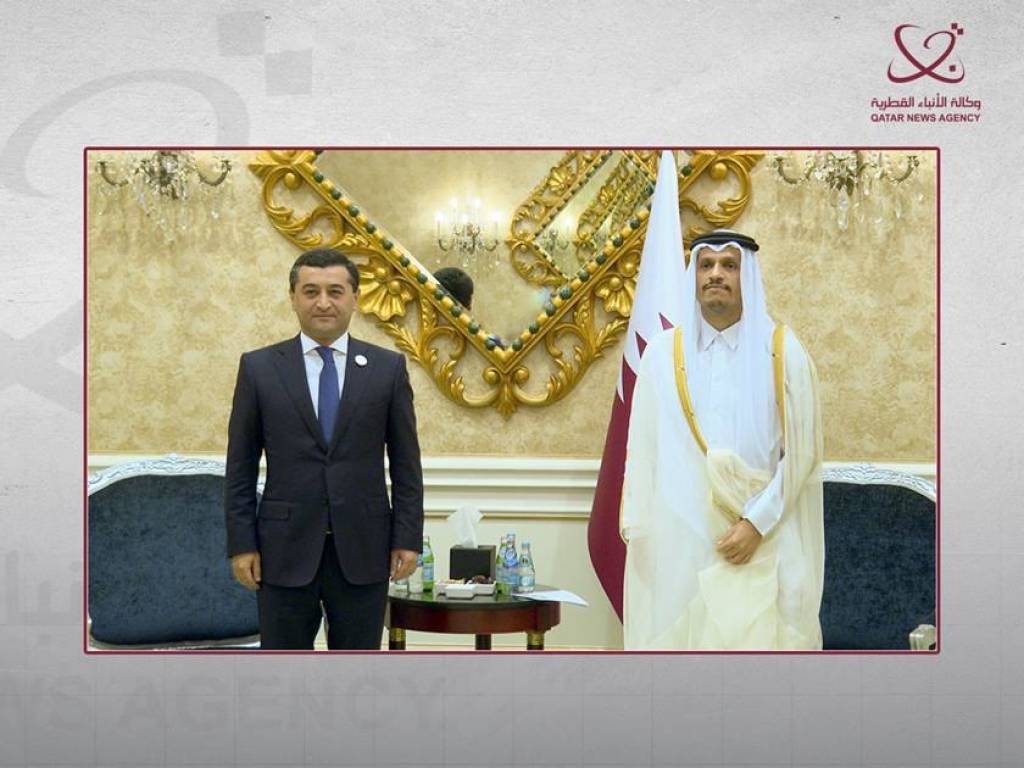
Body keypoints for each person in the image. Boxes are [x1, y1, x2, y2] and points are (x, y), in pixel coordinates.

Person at [620, 230, 825, 650]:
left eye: (729, 265)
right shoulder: (661, 355)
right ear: (693, 275)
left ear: (747, 276)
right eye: (706, 265)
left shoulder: (783, 351)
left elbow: (802, 454)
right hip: (680, 547)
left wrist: (755, 524)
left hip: (761, 542)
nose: (716, 274)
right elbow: (644, 452)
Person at [224, 247, 424, 650]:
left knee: (357, 672)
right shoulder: (260, 368)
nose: (323, 302)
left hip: (365, 549)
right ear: (293, 298)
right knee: (284, 673)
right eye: (311, 291)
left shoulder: (387, 369)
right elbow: (240, 466)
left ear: (355, 298)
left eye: (335, 291)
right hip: (282, 550)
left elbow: (406, 465)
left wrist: (407, 538)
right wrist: (242, 544)